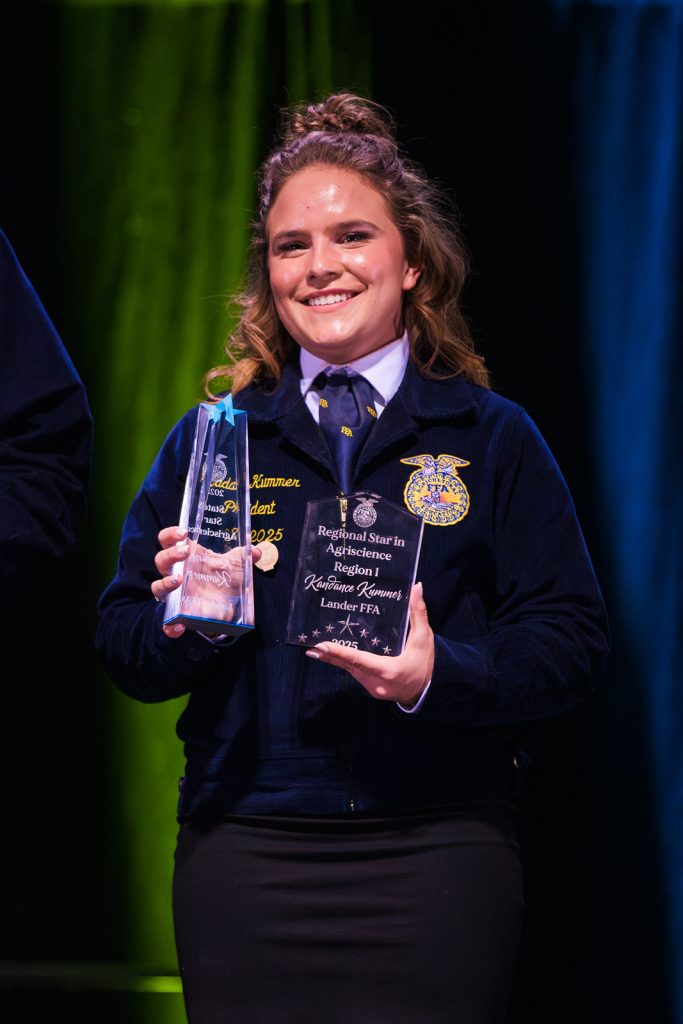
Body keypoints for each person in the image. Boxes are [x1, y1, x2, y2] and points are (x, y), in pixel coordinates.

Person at [96, 93, 608, 1024]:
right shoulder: (215, 441)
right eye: (292, 246)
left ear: (412, 262)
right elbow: (123, 641)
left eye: (352, 237)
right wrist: (189, 624)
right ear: (268, 274)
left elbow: (572, 641)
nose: (320, 267)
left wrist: (433, 675)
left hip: (437, 851)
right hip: (245, 850)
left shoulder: (490, 437)